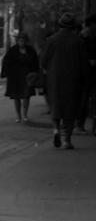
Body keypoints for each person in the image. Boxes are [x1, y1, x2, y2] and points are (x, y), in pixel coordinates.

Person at [41, 13, 90, 149]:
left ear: (60, 25)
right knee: (71, 108)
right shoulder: (78, 41)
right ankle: (67, 140)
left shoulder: (51, 40)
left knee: (55, 104)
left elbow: (43, 61)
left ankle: (56, 129)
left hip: (55, 76)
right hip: (73, 77)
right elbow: (83, 62)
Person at [0, 31, 39, 123]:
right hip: (15, 77)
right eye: (21, 41)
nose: (22, 43)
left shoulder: (30, 51)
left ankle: (25, 115)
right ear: (18, 41)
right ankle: (18, 116)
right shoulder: (12, 51)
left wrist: (35, 73)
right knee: (16, 96)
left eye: (24, 41)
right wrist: (6, 73)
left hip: (28, 76)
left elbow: (35, 63)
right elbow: (6, 62)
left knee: (26, 95)